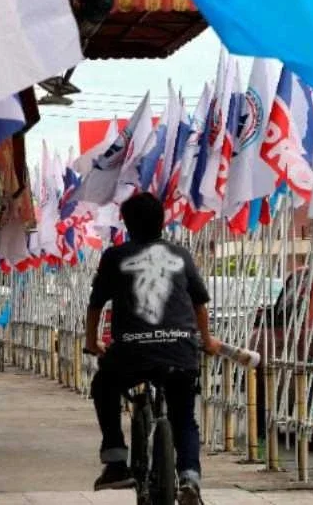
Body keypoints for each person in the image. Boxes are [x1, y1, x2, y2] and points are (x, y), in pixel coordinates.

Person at [86, 192, 220, 504]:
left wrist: (92, 343)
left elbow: (95, 305)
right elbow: (200, 302)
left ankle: (117, 461)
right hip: (180, 351)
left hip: (130, 354)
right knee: (183, 417)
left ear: (126, 224)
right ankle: (190, 479)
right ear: (162, 221)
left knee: (104, 386)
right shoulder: (181, 255)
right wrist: (208, 339)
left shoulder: (114, 256)